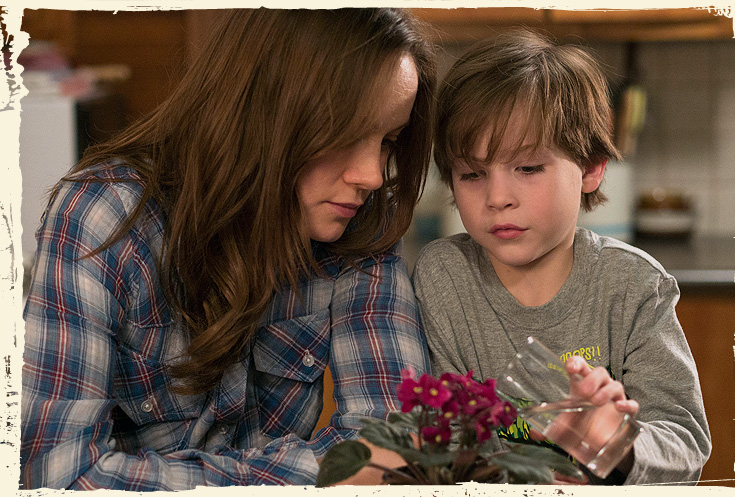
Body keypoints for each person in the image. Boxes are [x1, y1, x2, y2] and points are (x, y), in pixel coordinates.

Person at [21, 8, 436, 490]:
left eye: (388, 141)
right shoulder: (104, 215)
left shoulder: (364, 223)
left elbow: (392, 448)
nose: (372, 175)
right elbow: (56, 473)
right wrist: (323, 472)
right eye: (346, 134)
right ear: (265, 111)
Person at [412, 28, 711, 485]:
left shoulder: (632, 284)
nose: (497, 198)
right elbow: (441, 442)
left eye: (528, 167)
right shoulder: (444, 278)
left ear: (591, 168)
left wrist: (615, 442)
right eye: (472, 173)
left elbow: (685, 444)